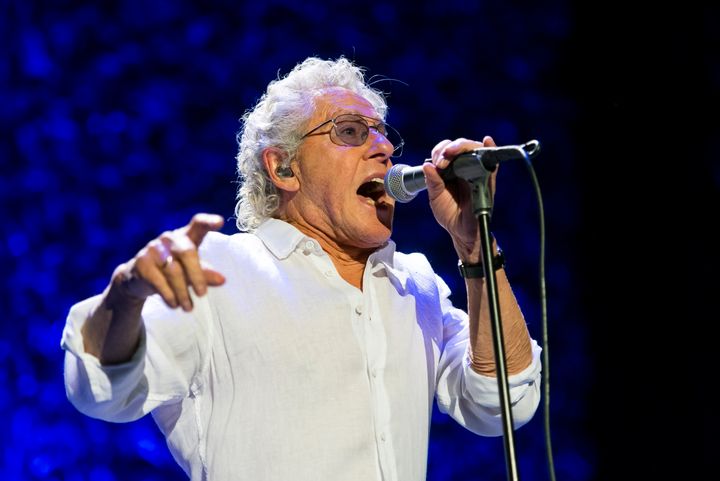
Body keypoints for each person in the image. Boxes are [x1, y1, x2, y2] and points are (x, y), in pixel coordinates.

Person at [61, 56, 542, 481]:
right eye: (351, 132)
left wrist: (474, 245)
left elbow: (503, 402)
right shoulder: (219, 271)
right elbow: (100, 390)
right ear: (284, 168)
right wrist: (125, 295)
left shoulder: (415, 284)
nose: (383, 149)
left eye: (382, 134)